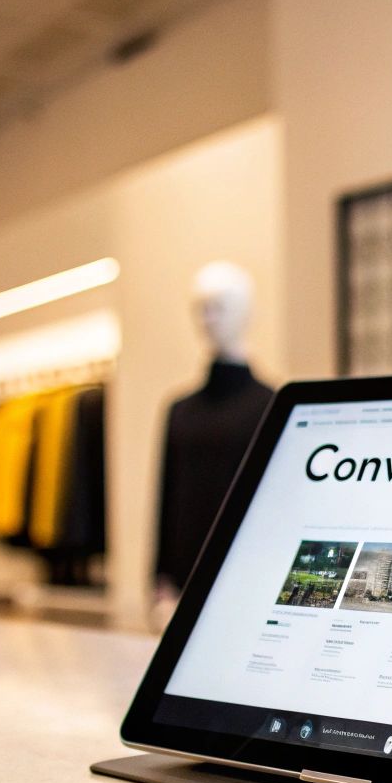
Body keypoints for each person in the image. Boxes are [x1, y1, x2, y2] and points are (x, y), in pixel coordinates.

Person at [153, 261, 273, 618]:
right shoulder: (180, 410)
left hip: (247, 581)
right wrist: (159, 580)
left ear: (244, 312)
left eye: (218, 307)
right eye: (200, 309)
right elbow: (166, 497)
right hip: (184, 581)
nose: (208, 319)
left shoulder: (270, 406)